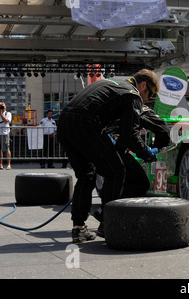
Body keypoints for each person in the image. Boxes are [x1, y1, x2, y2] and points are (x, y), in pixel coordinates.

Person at [57, 69, 160, 243]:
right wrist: (146, 152)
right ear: (143, 85)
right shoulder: (133, 94)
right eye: (149, 94)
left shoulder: (111, 83)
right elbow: (131, 134)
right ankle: (108, 224)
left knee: (86, 175)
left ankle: (79, 228)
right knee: (116, 171)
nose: (147, 99)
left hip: (65, 123)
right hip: (86, 124)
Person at [0, 102, 12, 170]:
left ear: (5, 107)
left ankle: (8, 164)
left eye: (3, 106)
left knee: (6, 149)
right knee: (0, 149)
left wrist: (1, 113)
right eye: (1, 107)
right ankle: (0, 164)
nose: (2, 108)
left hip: (5, 133)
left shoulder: (8, 114)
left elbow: (6, 121)